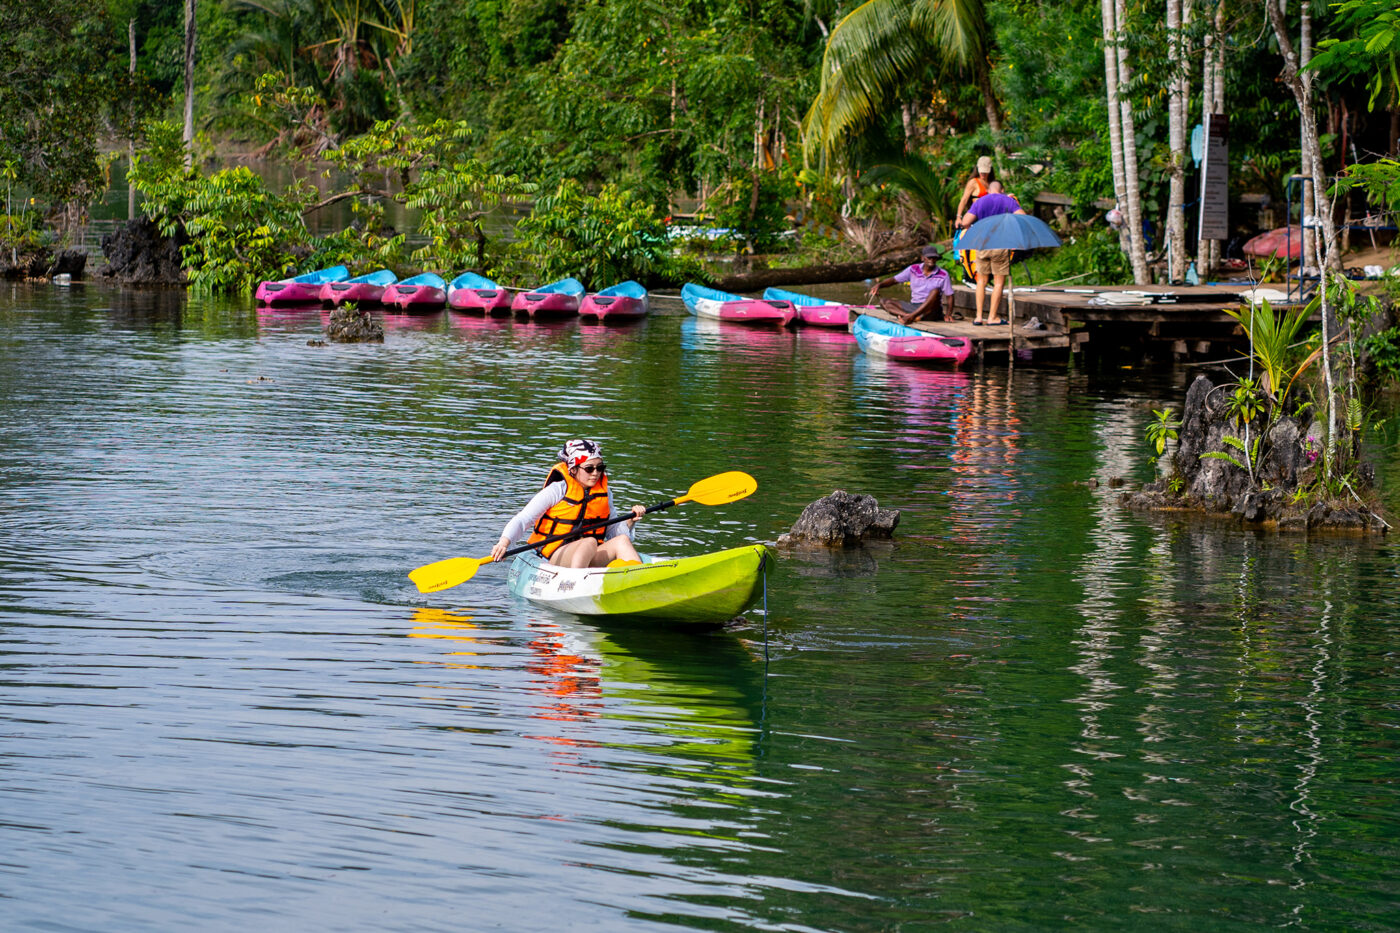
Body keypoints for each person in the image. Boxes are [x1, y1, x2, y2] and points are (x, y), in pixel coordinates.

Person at [490, 439, 646, 569]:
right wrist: (504, 543)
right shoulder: (557, 490)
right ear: (573, 469)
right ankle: (576, 583)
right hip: (555, 555)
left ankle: (639, 578)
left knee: (622, 541)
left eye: (600, 468)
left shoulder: (605, 492)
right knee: (588, 543)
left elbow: (614, 533)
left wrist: (630, 521)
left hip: (589, 555)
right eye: (589, 468)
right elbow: (523, 519)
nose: (595, 473)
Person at [958, 181, 1025, 326]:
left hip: (981, 246)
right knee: (998, 283)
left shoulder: (980, 201)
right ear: (1002, 189)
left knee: (981, 281)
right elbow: (1022, 217)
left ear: (988, 190)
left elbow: (965, 222)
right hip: (1000, 245)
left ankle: (978, 317)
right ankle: (992, 317)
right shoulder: (1008, 200)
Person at [866, 244, 954, 325]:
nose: (931, 260)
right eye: (929, 257)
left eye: (934, 258)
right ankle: (910, 316)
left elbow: (950, 296)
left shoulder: (943, 274)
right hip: (914, 306)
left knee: (935, 291)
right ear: (923, 258)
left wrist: (948, 314)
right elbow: (894, 280)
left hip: (931, 310)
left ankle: (912, 316)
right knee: (884, 302)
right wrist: (879, 285)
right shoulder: (913, 269)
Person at [954, 155, 995, 221]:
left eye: (985, 172)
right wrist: (958, 217)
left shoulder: (992, 183)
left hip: (990, 217)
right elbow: (964, 199)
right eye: (981, 171)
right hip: (977, 217)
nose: (983, 173)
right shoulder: (973, 182)